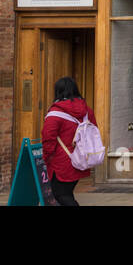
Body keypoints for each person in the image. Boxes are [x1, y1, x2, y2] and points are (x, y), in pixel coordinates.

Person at [41, 77, 97, 206]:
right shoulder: (87, 111)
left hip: (61, 162)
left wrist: (46, 157)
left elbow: (48, 139)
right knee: (67, 193)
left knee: (60, 194)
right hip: (80, 159)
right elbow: (93, 132)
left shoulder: (55, 114)